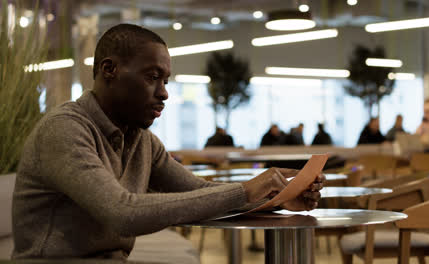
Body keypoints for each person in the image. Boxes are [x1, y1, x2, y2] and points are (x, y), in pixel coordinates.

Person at [11, 24, 324, 261]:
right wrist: (244, 190)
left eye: (166, 80)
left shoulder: (141, 138)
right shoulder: (64, 130)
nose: (164, 93)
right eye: (152, 77)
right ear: (110, 70)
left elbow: (199, 192)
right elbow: (121, 212)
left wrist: (276, 197)